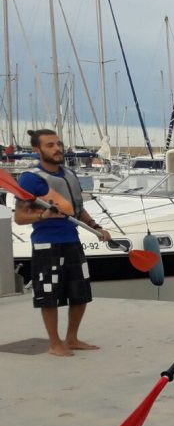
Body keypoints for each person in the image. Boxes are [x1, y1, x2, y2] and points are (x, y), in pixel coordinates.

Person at [13, 129, 110, 357]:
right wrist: (42, 216)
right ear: (37, 150)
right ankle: (55, 343)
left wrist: (96, 228)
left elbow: (78, 208)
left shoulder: (68, 174)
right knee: (50, 295)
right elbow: (19, 217)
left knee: (81, 293)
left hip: (72, 241)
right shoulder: (30, 179)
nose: (57, 149)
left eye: (58, 144)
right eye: (50, 145)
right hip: (47, 244)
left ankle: (72, 338)